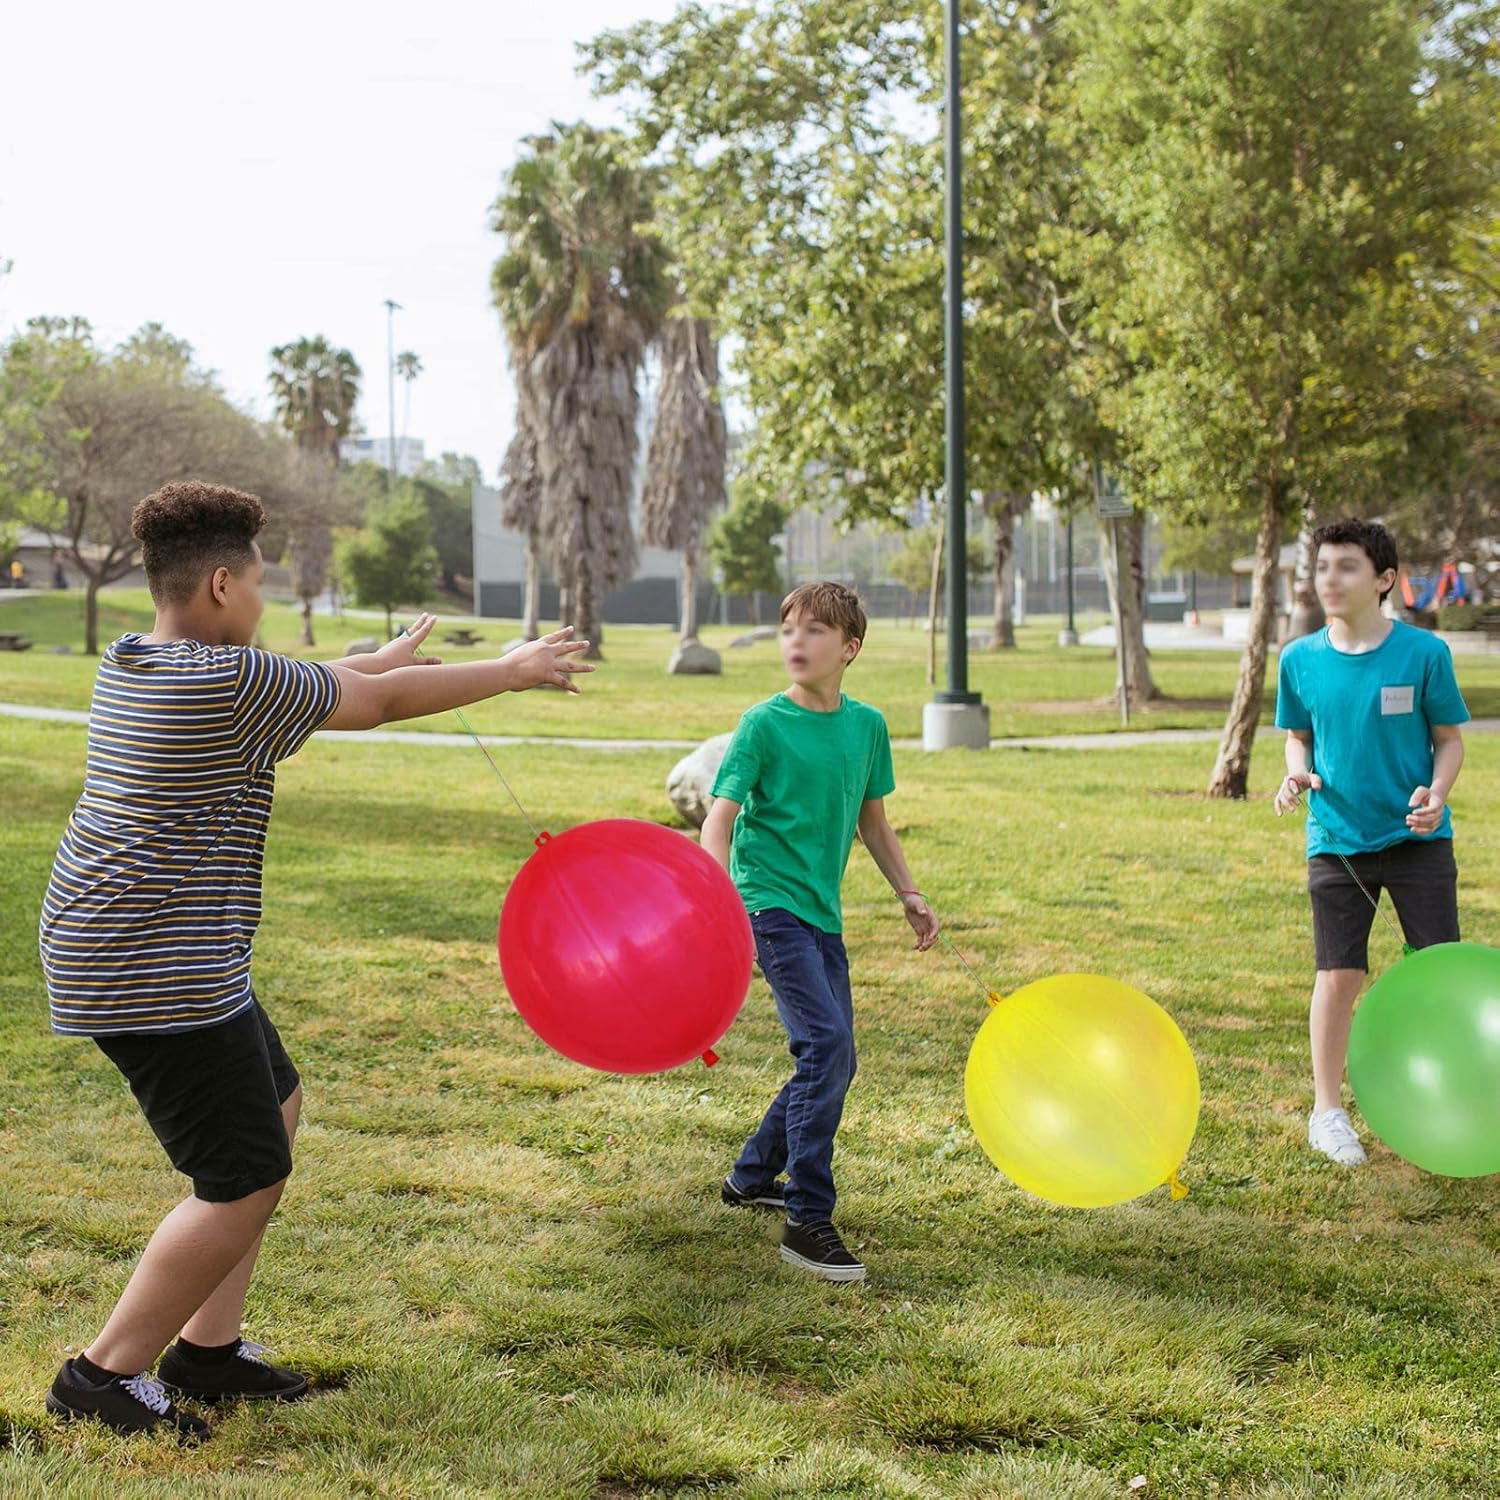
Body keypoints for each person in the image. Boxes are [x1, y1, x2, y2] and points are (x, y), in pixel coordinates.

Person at [40, 480, 592, 1439]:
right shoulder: (228, 682)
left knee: (277, 1105)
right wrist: (510, 670)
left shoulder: (136, 658)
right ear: (222, 585)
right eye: (259, 585)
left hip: (147, 946)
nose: (264, 602)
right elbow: (371, 705)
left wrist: (372, 660)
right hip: (152, 964)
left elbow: (328, 680)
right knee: (242, 1176)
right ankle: (100, 1376)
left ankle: (207, 1352)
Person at [702, 581, 938, 1283]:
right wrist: (718, 894)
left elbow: (873, 821)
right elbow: (719, 817)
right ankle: (807, 1219)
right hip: (766, 906)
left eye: (813, 631)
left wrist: (909, 893)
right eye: (788, 630)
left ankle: (750, 1177)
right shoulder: (763, 724)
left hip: (821, 913)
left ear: (849, 648)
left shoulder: (866, 727)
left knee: (835, 1058)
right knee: (827, 1045)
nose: (795, 642)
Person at [1273, 518, 1468, 1166]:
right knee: (1339, 974)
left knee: (1436, 972)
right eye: (1323, 566)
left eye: (1347, 566)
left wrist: (1438, 793)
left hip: (1417, 839)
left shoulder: (1424, 653)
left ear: (1384, 580)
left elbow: (1449, 740)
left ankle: (1444, 1093)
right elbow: (1298, 736)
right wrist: (1297, 772)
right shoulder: (1299, 659)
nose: (1330, 578)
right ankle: (1327, 1113)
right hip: (1336, 838)